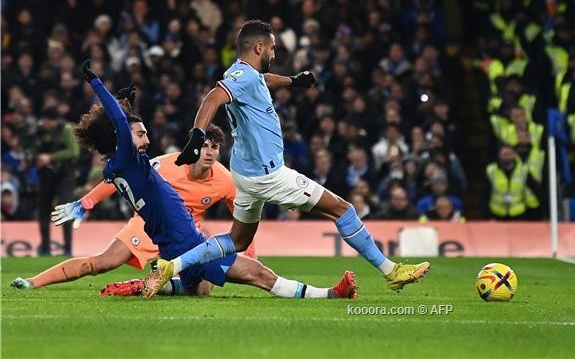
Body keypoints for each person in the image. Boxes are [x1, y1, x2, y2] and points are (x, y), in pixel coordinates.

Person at [12, 61, 357, 301]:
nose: (147, 139)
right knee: (260, 276)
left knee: (200, 289)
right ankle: (331, 293)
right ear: (121, 139)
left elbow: (122, 125)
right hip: (188, 246)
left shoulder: (117, 168)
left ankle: (133, 284)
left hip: (173, 244)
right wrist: (96, 83)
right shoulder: (133, 160)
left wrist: (127, 103)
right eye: (141, 134)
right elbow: (119, 122)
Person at [144, 20, 429, 298]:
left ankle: (172, 265)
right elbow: (212, 98)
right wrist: (196, 136)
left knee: (238, 240)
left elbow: (262, 79)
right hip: (268, 175)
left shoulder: (244, 74)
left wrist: (293, 81)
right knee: (342, 209)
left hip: (245, 174)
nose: (274, 54)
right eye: (272, 48)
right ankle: (391, 271)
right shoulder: (241, 77)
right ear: (258, 47)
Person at [11, 125, 255, 296]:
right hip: (148, 224)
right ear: (193, 147)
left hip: (186, 234)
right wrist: (86, 202)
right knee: (102, 263)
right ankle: (33, 282)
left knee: (203, 288)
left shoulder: (225, 180)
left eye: (215, 147)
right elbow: (119, 178)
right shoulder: (166, 165)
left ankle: (144, 285)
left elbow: (245, 220)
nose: (210, 152)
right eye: (204, 146)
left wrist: (250, 255)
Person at [32, 106, 80, 256]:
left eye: (46, 121)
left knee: (65, 209)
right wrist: (36, 159)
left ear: (51, 120)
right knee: (43, 211)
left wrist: (50, 157)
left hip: (65, 176)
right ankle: (45, 248)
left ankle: (67, 248)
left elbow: (74, 152)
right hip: (46, 176)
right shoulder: (40, 132)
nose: (44, 124)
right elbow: (34, 150)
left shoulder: (65, 130)